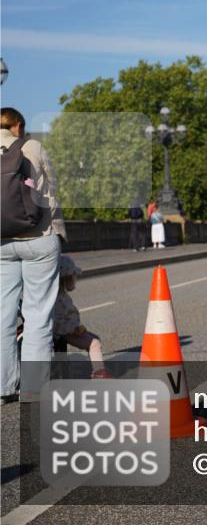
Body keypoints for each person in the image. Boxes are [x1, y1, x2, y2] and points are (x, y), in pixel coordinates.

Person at [1, 107, 67, 403]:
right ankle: (33, 388)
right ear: (18, 125)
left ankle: (3, 386)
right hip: (38, 238)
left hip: (1, 243)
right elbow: (52, 190)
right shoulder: (32, 146)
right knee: (37, 314)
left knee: (2, 316)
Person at [53, 256, 110, 379]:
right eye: (73, 277)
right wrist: (73, 329)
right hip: (66, 331)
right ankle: (100, 374)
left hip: (69, 329)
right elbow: (57, 322)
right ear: (66, 278)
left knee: (95, 339)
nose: (75, 280)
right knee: (94, 343)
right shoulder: (58, 298)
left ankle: (98, 369)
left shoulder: (59, 294)